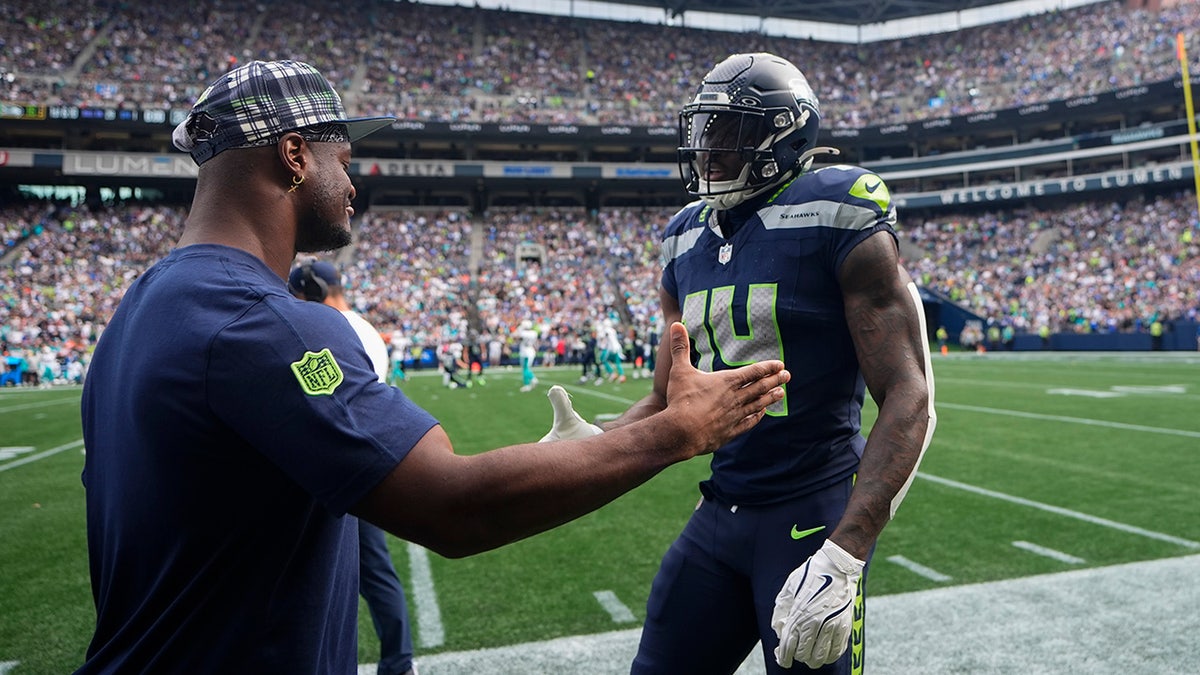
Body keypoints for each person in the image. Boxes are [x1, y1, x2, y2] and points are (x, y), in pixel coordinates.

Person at [75, 59, 789, 674]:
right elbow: (454, 507)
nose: (353, 185)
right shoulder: (263, 323)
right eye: (343, 162)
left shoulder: (142, 309)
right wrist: (677, 433)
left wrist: (586, 448)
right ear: (294, 156)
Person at [597, 53, 936, 674]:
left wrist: (848, 552)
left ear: (784, 135)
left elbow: (909, 395)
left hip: (814, 512)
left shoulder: (839, 209)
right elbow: (666, 398)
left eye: (730, 133)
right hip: (722, 507)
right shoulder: (684, 237)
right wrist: (587, 443)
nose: (709, 151)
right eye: (705, 131)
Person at [288, 258, 418, 675]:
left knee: (318, 579)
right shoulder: (364, 328)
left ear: (312, 292)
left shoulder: (326, 328)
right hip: (361, 466)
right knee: (374, 574)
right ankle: (399, 662)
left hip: (334, 466)